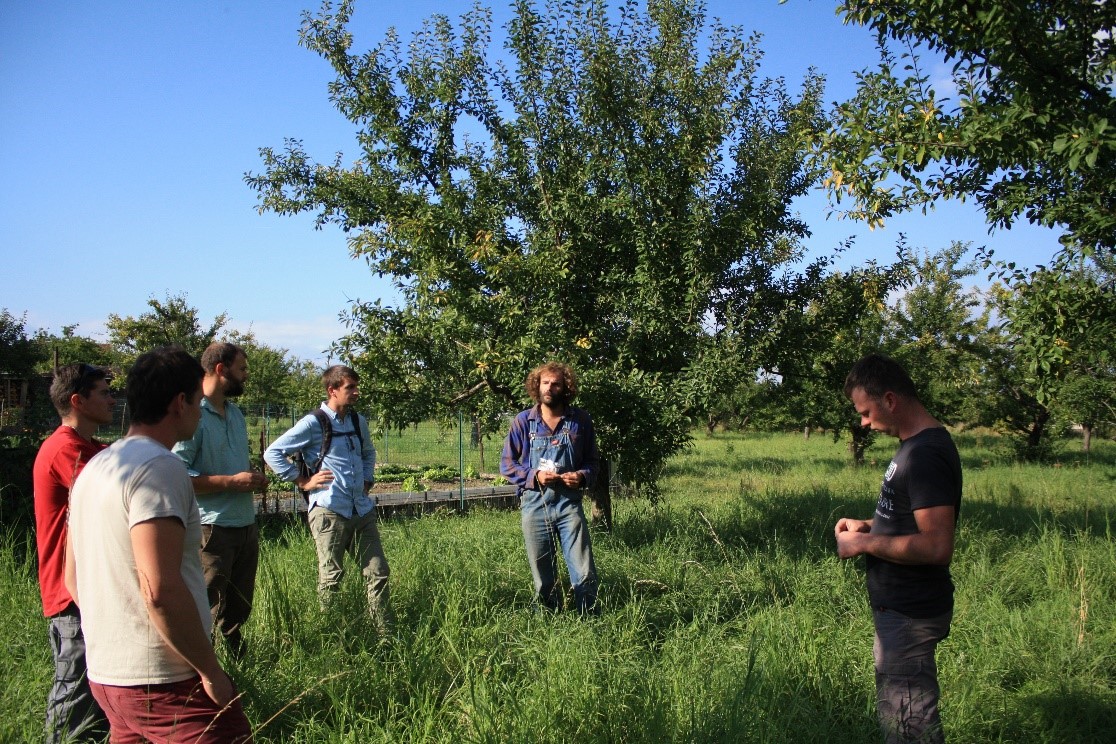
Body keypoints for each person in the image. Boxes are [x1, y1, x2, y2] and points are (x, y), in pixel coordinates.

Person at [65, 346, 253, 743]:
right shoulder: (160, 468)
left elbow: (72, 578)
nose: (200, 412)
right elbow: (160, 590)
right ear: (180, 403)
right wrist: (210, 671)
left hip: (108, 677)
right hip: (164, 678)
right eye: (198, 402)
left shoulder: (98, 466)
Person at [833, 353, 962, 744]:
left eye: (867, 411)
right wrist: (869, 525)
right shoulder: (914, 447)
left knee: (909, 728)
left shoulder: (925, 455)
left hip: (910, 614)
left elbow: (937, 546)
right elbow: (911, 519)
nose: (864, 422)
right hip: (900, 611)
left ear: (890, 400)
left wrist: (863, 543)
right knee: (901, 718)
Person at [263, 365, 389, 623]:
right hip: (330, 511)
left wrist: (367, 479)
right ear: (332, 390)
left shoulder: (357, 420)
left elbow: (368, 452)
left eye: (356, 386)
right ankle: (329, 633)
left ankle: (385, 632)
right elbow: (272, 453)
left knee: (378, 572)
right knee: (332, 576)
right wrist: (302, 481)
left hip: (360, 509)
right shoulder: (314, 422)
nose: (356, 392)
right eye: (349, 387)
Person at [33, 363, 114, 743]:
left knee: (97, 691)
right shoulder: (66, 450)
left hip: (90, 585)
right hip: (72, 593)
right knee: (75, 691)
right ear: (78, 401)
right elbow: (109, 497)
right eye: (103, 391)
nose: (111, 398)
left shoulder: (91, 447)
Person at [173, 342, 267, 660]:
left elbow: (231, 467)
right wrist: (230, 482)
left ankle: (235, 668)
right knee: (208, 605)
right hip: (211, 528)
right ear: (220, 369)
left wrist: (250, 477)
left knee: (239, 607)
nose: (246, 376)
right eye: (242, 369)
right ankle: (203, 671)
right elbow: (178, 477)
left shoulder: (236, 414)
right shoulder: (193, 415)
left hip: (244, 523)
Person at [500, 361, 601, 614]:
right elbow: (507, 464)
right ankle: (548, 619)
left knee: (583, 568)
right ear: (537, 386)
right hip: (535, 503)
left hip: (569, 504)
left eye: (556, 383)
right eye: (545, 382)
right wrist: (534, 476)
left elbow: (594, 462)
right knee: (542, 570)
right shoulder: (524, 421)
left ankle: (590, 618)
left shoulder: (580, 420)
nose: (549, 387)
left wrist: (582, 476)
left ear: (565, 387)